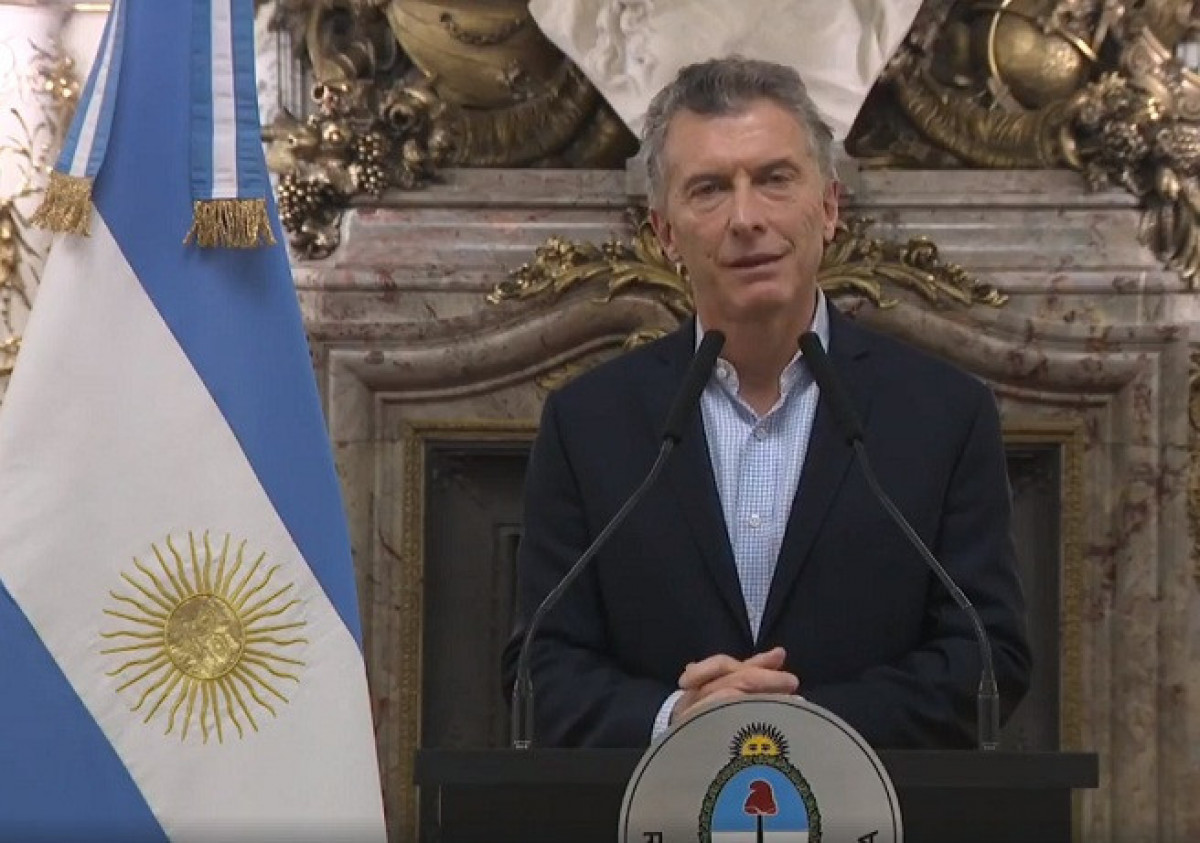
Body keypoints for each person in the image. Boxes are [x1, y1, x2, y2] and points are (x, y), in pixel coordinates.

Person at [502, 56, 1031, 749]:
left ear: (829, 206)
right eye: (710, 189)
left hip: (874, 799)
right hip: (656, 799)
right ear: (665, 233)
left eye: (775, 179)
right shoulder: (588, 422)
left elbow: (988, 656)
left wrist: (795, 726)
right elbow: (539, 669)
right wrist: (675, 719)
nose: (746, 218)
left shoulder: (944, 413)